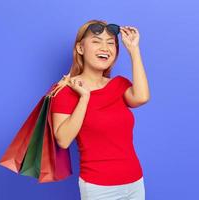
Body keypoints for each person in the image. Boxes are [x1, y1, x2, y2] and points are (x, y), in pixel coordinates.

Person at [51, 19, 150, 200]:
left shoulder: (119, 85)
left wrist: (134, 50)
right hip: (99, 187)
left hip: (135, 181)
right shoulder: (66, 91)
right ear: (80, 48)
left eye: (110, 43)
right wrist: (84, 97)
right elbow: (63, 140)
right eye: (96, 41)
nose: (105, 47)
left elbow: (142, 97)